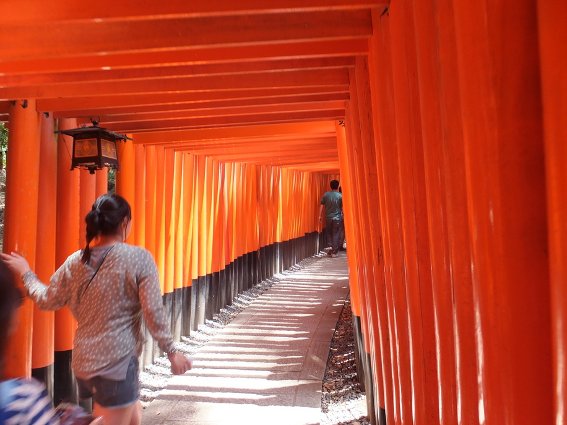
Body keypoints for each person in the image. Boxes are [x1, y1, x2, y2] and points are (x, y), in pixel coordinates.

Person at [1, 193, 192, 425]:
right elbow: (153, 311)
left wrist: (26, 273)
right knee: (114, 416)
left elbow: (46, 299)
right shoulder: (138, 258)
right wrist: (172, 352)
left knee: (132, 411)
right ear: (124, 223)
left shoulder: (75, 261)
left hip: (85, 362)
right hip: (116, 363)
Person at [319, 180, 343, 258]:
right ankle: (334, 251)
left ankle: (331, 248)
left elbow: (322, 205)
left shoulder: (326, 195)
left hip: (328, 217)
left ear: (330, 186)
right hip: (337, 218)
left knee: (329, 232)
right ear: (337, 186)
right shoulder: (340, 196)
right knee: (336, 233)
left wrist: (319, 216)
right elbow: (343, 207)